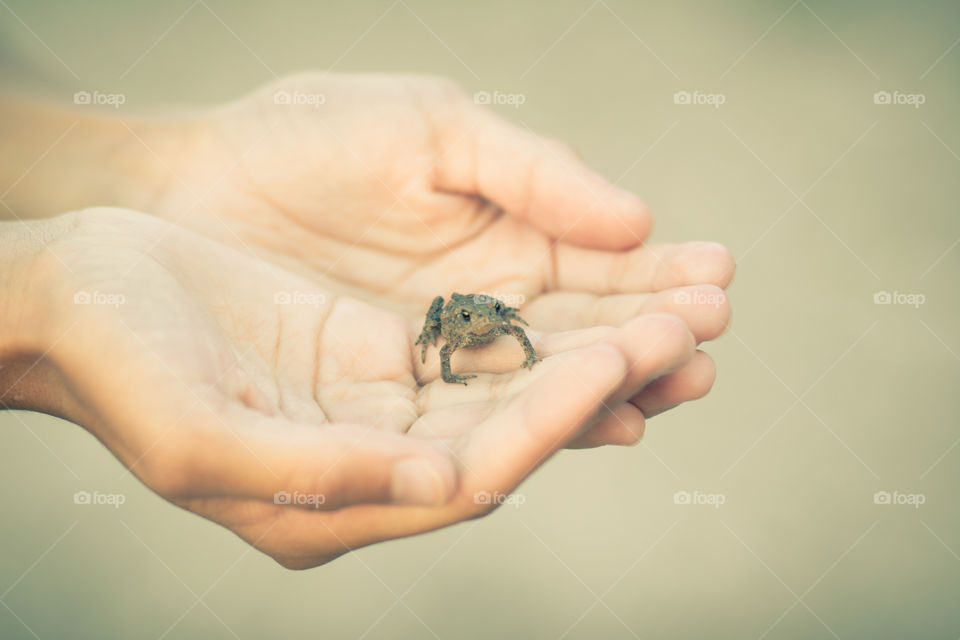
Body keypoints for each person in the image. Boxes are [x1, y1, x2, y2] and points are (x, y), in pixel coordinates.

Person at [0, 73, 734, 568]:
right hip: (449, 310)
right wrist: (38, 293)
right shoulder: (451, 323)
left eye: (484, 322)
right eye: (464, 323)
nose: (476, 327)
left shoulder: (494, 317)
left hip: (484, 307)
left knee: (516, 322)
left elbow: (504, 320)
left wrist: (150, 174)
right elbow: (450, 330)